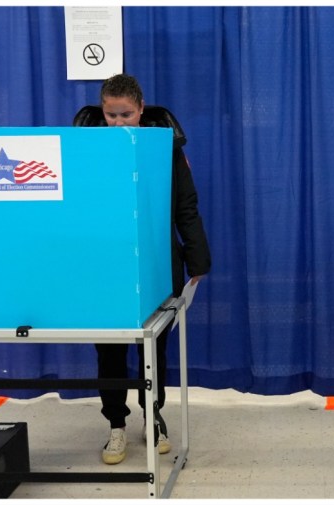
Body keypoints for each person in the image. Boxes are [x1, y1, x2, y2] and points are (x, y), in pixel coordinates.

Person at [95, 73, 211, 464]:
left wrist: (198, 260)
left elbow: (185, 207)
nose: (118, 122)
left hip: (157, 263)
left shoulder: (168, 149)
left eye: (126, 114)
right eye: (110, 115)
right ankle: (115, 424)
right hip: (105, 265)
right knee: (108, 351)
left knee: (154, 348)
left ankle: (153, 416)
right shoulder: (86, 149)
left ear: (141, 110)